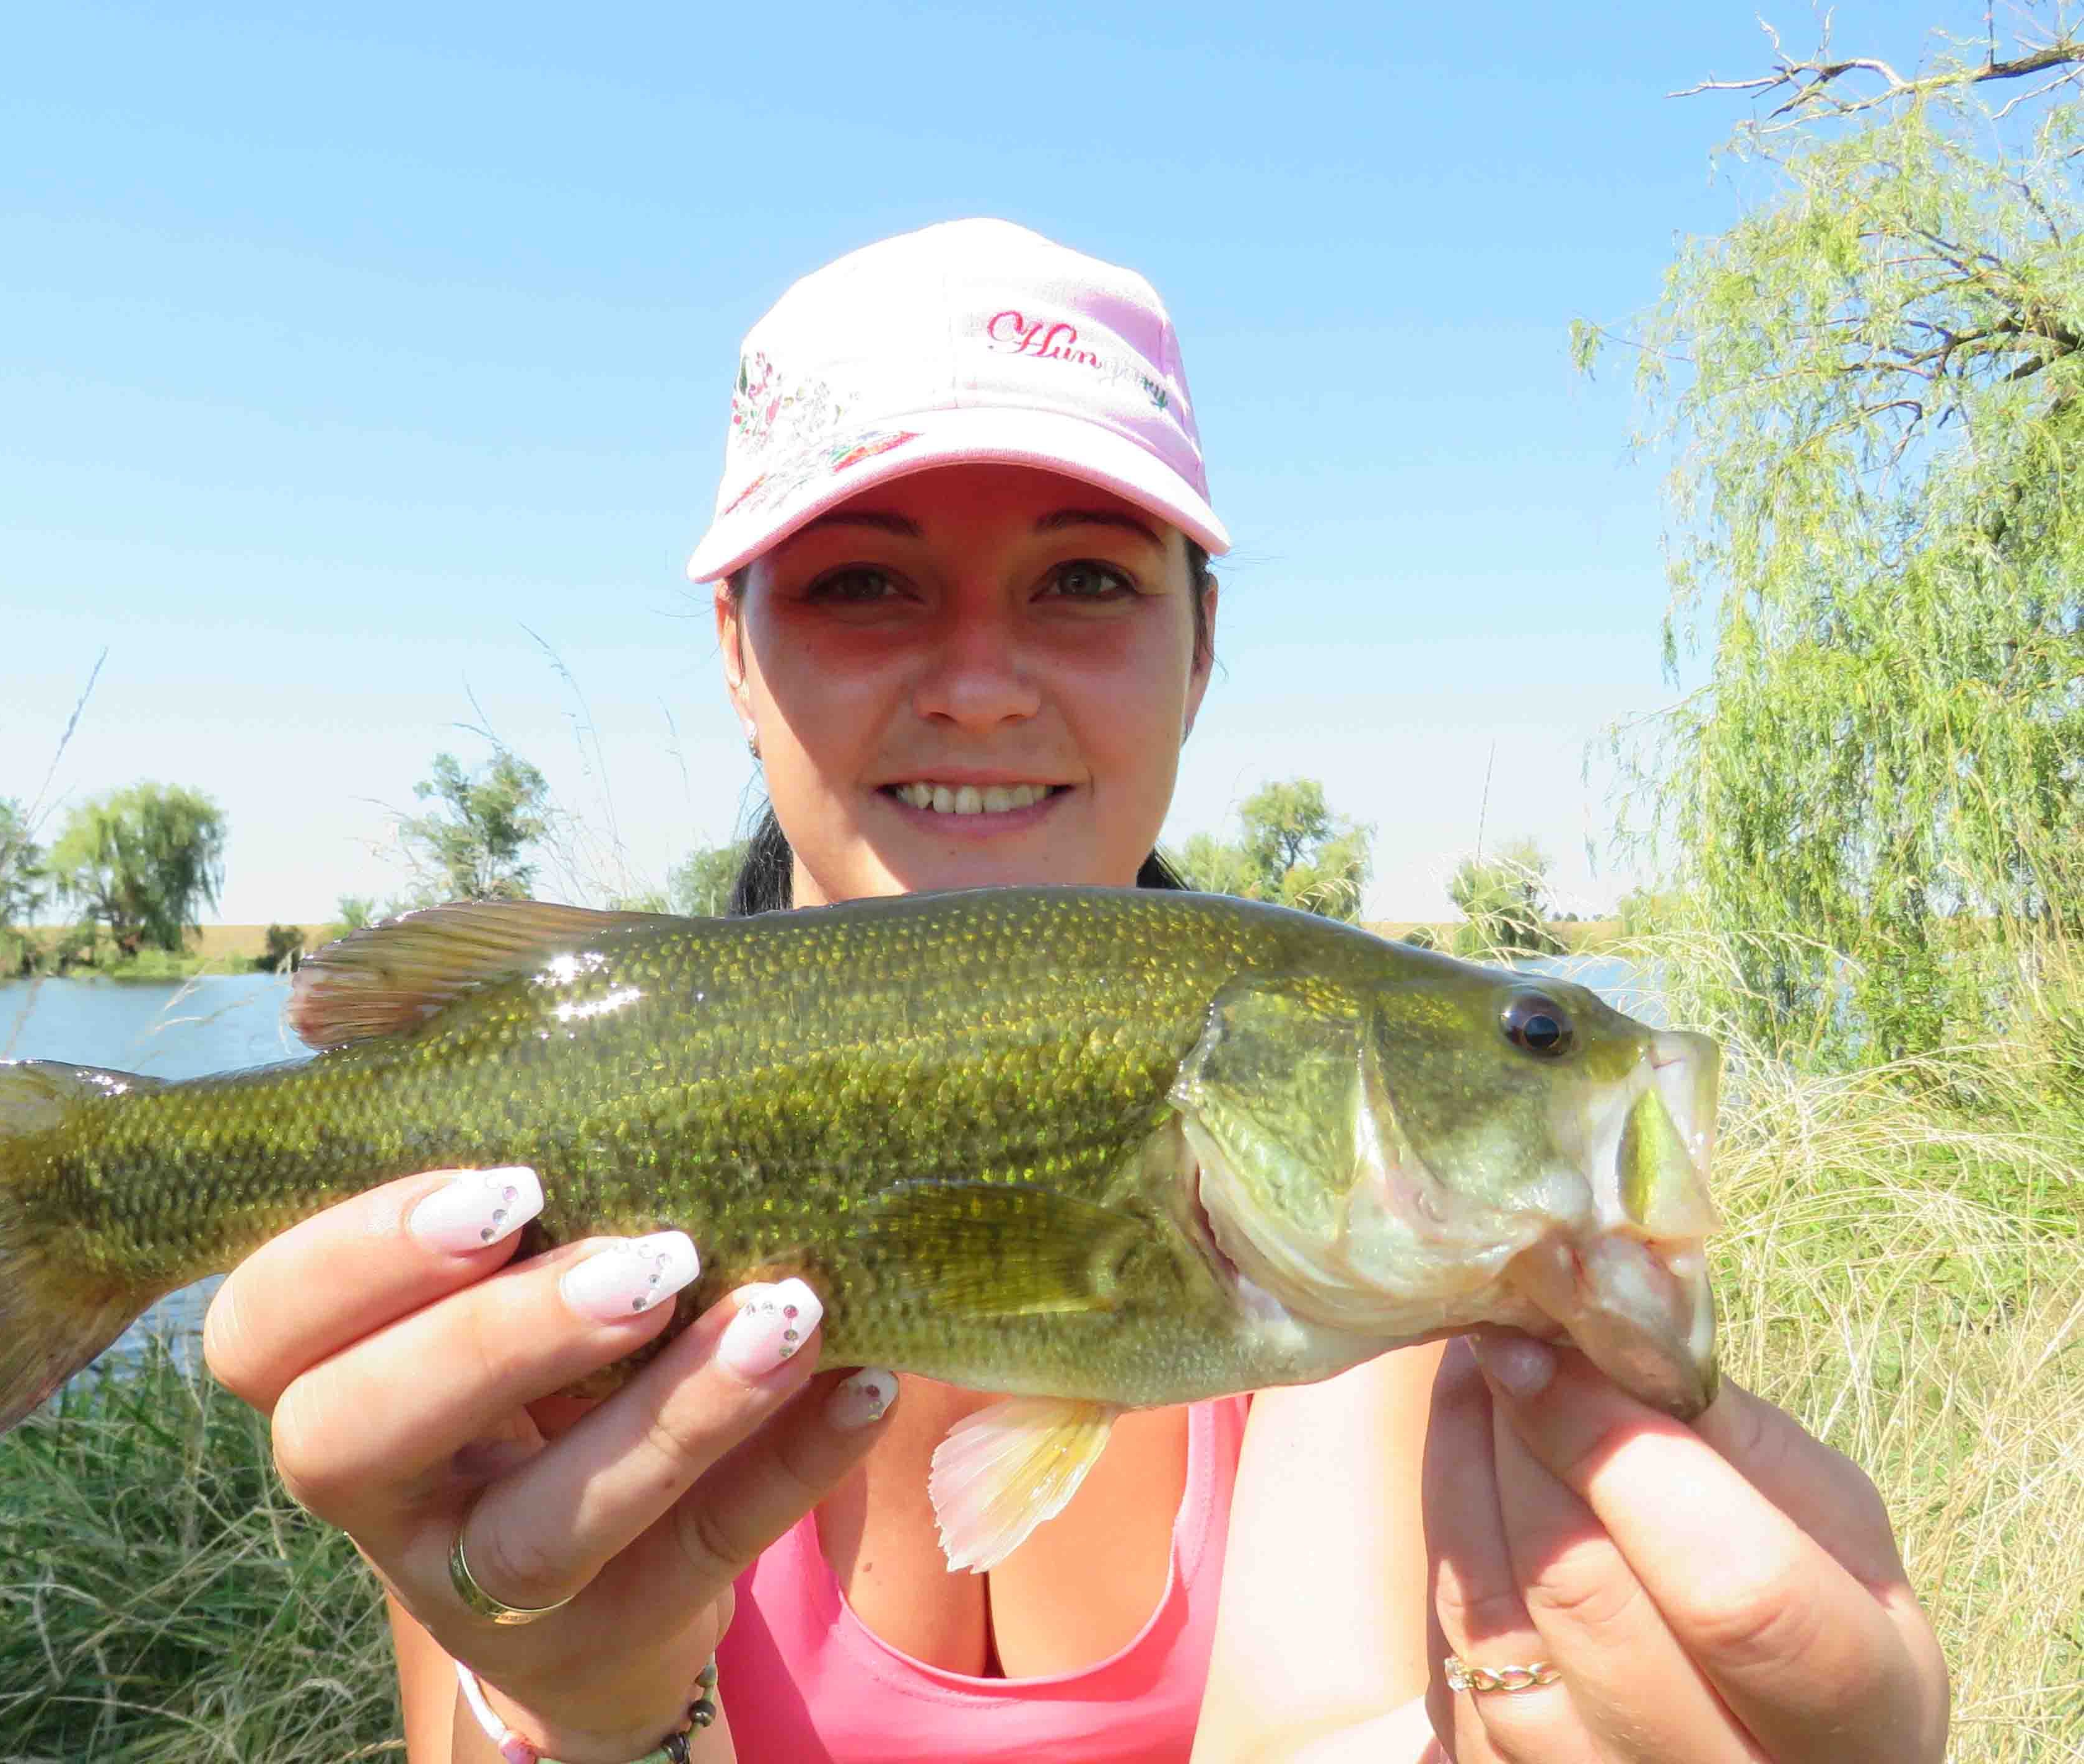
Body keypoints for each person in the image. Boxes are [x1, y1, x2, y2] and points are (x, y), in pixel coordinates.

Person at [201, 220, 1950, 1763]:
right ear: (736, 653)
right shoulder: (511, 1300)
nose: (976, 684)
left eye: (1086, 583)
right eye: (865, 583)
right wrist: (590, 1727)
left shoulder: (1415, 1315)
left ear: (1201, 646)